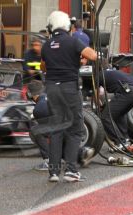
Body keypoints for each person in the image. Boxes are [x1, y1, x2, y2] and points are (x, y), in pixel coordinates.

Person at [41, 11, 97, 182]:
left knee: (56, 129)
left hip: (51, 88)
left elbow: (44, 67)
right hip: (69, 88)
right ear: (67, 26)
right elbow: (93, 55)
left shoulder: (47, 44)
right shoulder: (73, 41)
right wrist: (80, 59)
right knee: (74, 129)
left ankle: (54, 172)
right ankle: (71, 170)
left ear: (52, 27)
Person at [28, 80, 95, 171]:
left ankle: (49, 161)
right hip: (77, 124)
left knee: (35, 131)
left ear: (32, 95)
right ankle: (81, 153)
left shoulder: (38, 108)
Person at [98, 68, 133, 150]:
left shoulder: (97, 76)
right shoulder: (111, 72)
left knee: (105, 116)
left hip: (129, 91)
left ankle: (120, 142)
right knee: (120, 114)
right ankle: (126, 140)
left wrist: (100, 106)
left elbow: (97, 93)